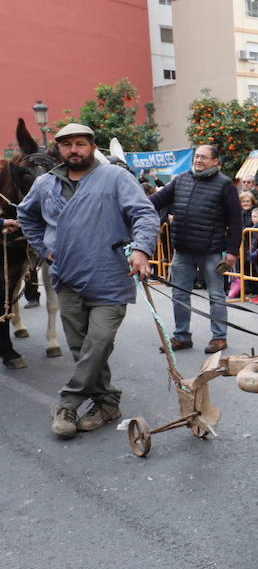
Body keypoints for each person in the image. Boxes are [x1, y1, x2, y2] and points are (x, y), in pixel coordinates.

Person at [17, 123, 159, 438]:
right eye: (67, 145)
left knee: (98, 342)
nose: (74, 150)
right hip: (66, 276)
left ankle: (67, 402)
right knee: (81, 348)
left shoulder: (116, 177)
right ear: (59, 150)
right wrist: (44, 248)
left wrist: (141, 249)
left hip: (109, 275)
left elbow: (145, 214)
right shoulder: (44, 184)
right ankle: (107, 403)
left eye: (80, 144)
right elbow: (27, 215)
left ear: (92, 147)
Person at [149, 145, 241, 354]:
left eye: (204, 157)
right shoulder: (181, 179)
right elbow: (156, 200)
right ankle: (182, 336)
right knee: (179, 294)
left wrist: (232, 251)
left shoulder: (225, 185)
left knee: (216, 296)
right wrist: (133, 205)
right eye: (197, 156)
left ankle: (219, 337)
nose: (198, 160)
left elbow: (236, 222)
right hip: (182, 249)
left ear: (216, 161)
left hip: (211, 250)